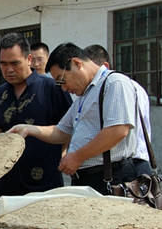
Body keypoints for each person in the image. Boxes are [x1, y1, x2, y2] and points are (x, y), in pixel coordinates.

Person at [9, 42, 139, 195]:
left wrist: (78, 156)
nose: (64, 88)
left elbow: (117, 130)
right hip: (87, 178)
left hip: (110, 177)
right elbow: (61, 131)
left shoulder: (114, 83)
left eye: (62, 80)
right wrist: (28, 129)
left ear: (77, 63)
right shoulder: (85, 95)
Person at [0, 33, 72, 196]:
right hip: (8, 182)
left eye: (15, 63)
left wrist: (62, 155)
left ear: (29, 59)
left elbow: (68, 129)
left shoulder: (52, 88)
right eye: (3, 64)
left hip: (44, 181)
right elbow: (0, 132)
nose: (9, 69)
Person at [84, 44, 153, 176]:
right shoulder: (105, 88)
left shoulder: (117, 85)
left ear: (105, 66)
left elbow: (118, 131)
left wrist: (78, 156)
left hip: (131, 161)